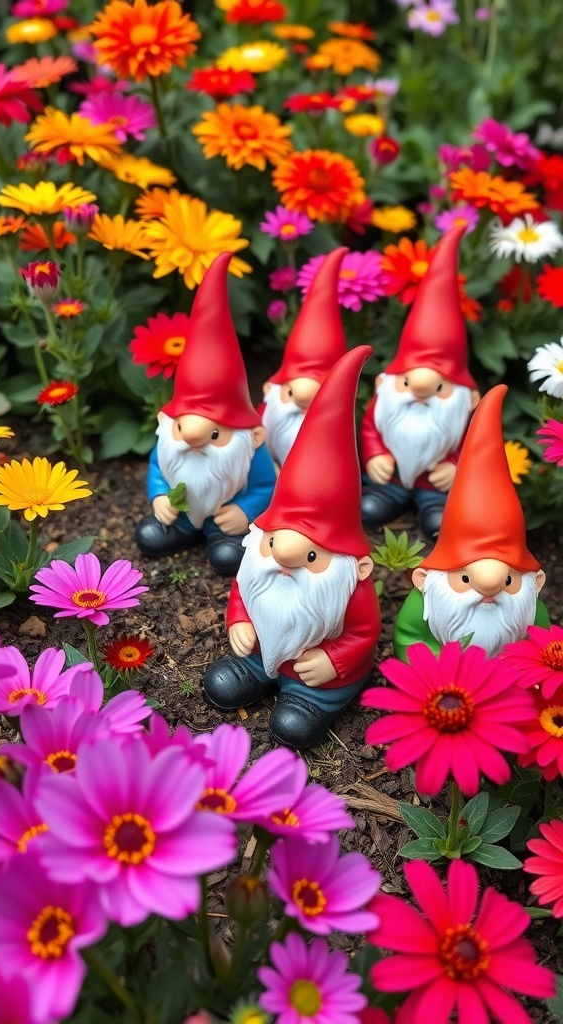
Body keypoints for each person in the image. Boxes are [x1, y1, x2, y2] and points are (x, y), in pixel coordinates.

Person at [203, 346, 382, 750]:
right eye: (270, 542)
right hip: (261, 648)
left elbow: (363, 632)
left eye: (311, 556)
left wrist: (335, 660)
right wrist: (240, 622)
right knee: (230, 675)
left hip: (318, 671)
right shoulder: (262, 561)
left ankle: (310, 700)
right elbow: (244, 591)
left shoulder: (350, 588)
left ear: (360, 567)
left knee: (298, 720)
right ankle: (255, 670)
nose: (282, 557)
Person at [135, 252, 276, 576]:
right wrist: (159, 497)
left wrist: (245, 510)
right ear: (165, 422)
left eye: (215, 435)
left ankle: (219, 536)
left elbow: (265, 487)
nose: (194, 442)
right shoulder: (169, 443)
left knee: (228, 556)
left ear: (254, 436)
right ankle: (182, 529)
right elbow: (158, 468)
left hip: (225, 515)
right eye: (182, 428)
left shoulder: (252, 454)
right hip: (181, 513)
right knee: (149, 536)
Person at [393, 384, 549, 661]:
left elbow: (543, 648)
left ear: (536, 583)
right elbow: (410, 637)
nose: (488, 589)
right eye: (465, 579)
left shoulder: (532, 611)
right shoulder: (424, 604)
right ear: (422, 580)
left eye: (508, 581)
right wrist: (433, 666)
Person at [360, 223, 480, 540]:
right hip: (392, 479)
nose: (419, 394)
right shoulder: (384, 400)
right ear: (383, 383)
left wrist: (456, 466)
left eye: (439, 388)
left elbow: (474, 446)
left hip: (436, 485)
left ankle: (434, 509)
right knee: (370, 508)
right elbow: (371, 428)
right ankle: (386, 496)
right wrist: (375, 455)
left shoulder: (464, 414)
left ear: (471, 398)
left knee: (438, 518)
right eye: (407, 385)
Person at [260, 247, 348, 468]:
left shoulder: (340, 425)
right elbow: (253, 445)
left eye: (315, 401)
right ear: (268, 388)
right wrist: (267, 468)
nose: (300, 406)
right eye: (290, 393)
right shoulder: (265, 418)